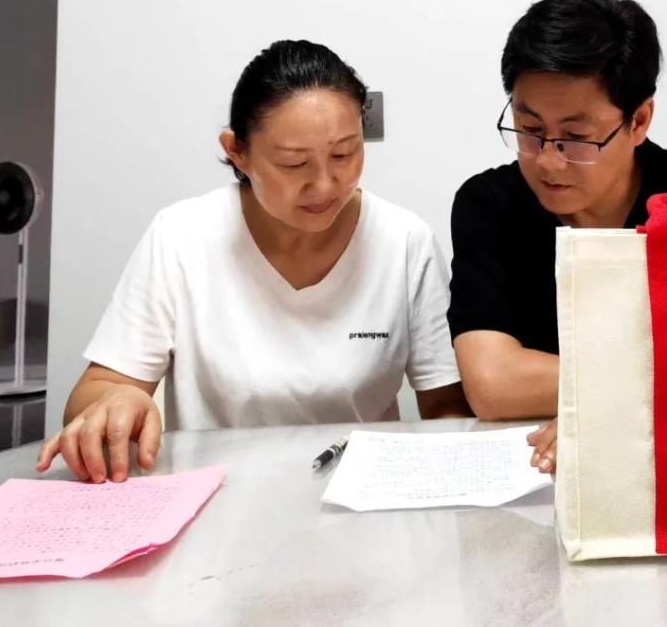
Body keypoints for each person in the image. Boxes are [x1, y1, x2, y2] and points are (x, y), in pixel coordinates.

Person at [38, 39, 469, 483]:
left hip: (356, 495)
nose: (324, 184)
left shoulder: (403, 240)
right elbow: (98, 390)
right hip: (215, 498)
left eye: (344, 153)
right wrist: (117, 401)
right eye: (294, 164)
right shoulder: (182, 235)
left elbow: (447, 406)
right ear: (237, 151)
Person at [448, 0, 667, 473]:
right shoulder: (489, 204)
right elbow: (493, 384)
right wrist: (666, 380)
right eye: (529, 129)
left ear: (638, 120)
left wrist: (603, 410)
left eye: (576, 138)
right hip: (536, 469)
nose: (548, 161)